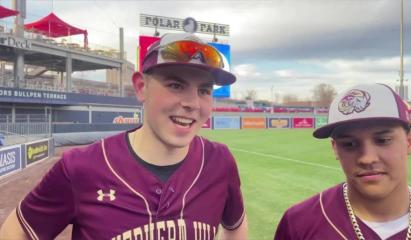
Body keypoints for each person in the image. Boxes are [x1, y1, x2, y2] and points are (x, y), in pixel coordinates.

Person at [0, 33, 248, 240]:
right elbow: (18, 230)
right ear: (141, 87)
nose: (193, 103)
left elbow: (235, 226)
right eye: (175, 85)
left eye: (204, 90)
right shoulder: (81, 167)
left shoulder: (219, 162)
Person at [275, 83, 411, 240]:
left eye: (383, 140)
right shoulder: (298, 223)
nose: (367, 158)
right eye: (349, 144)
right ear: (335, 149)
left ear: (410, 142)